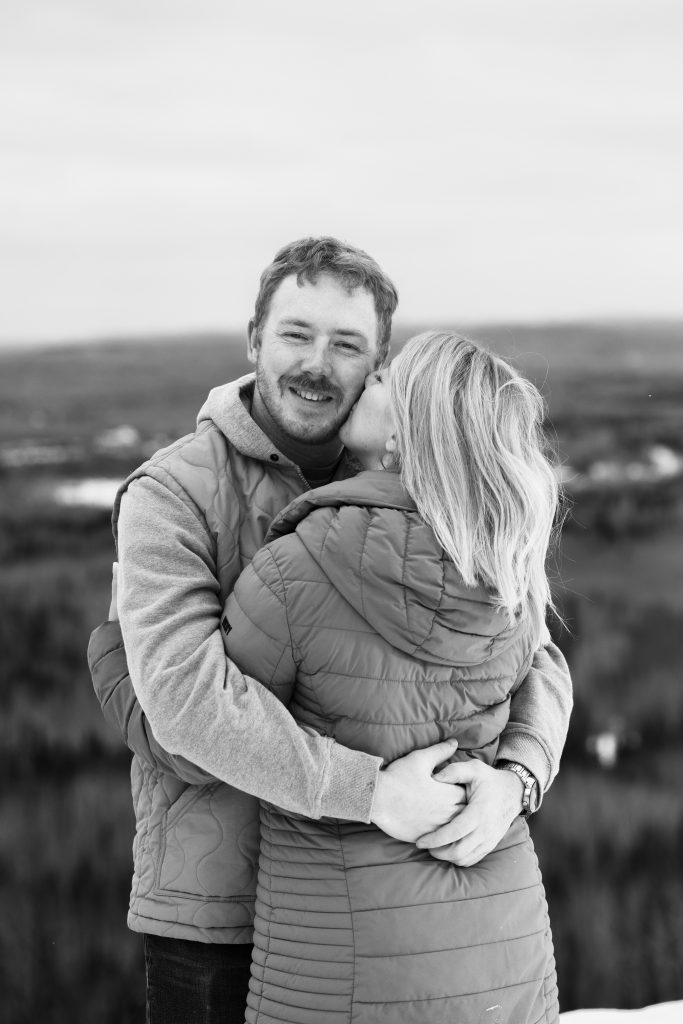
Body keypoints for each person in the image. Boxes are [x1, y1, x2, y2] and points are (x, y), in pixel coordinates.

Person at [87, 237, 572, 1023]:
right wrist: (367, 791)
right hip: (218, 908)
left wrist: (516, 779)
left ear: (379, 365)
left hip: (383, 902)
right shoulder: (172, 493)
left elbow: (535, 654)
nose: (316, 363)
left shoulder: (420, 479)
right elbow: (187, 707)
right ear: (253, 340)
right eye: (295, 334)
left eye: (347, 346)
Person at [219, 330, 562, 1022]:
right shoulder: (508, 574)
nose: (368, 377)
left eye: (385, 381)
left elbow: (198, 736)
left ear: (404, 437)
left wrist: (113, 648)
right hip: (507, 946)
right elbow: (543, 676)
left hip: (352, 964)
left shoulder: (297, 572)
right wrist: (518, 779)